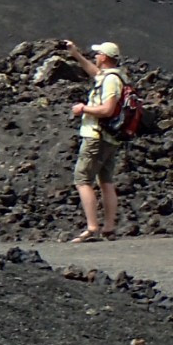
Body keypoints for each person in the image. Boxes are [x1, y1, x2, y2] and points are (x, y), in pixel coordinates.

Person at [63, 39, 126, 242]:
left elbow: (107, 109)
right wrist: (76, 54)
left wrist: (83, 109)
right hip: (109, 138)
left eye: (98, 54)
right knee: (105, 181)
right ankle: (108, 228)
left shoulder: (110, 81)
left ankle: (92, 228)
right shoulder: (111, 76)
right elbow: (94, 72)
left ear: (105, 57)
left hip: (96, 137)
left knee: (82, 179)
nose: (95, 57)